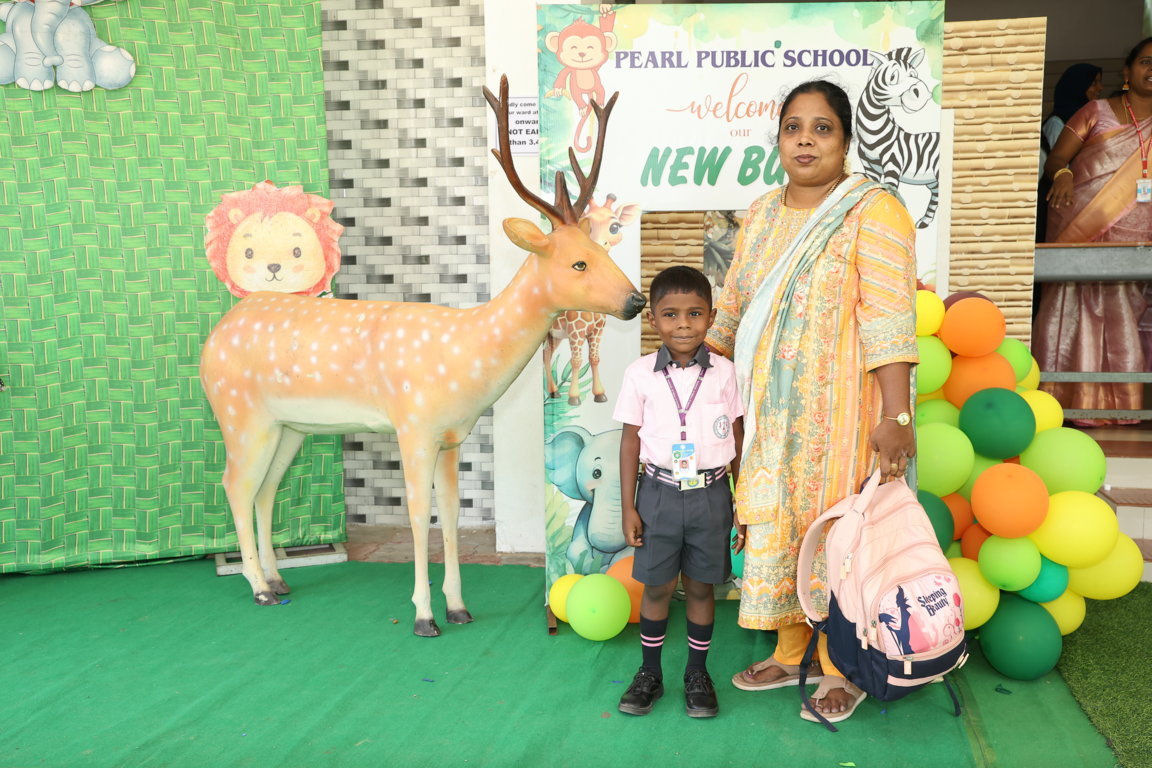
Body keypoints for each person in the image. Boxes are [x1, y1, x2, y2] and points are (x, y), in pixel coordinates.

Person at [705, 80, 918, 724]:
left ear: (846, 141)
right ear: (778, 140)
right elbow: (733, 307)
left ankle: (841, 667)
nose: (805, 140)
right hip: (769, 417)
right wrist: (694, 384)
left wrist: (896, 417)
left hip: (844, 418)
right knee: (777, 525)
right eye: (793, 127)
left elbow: (890, 319)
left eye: (822, 128)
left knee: (837, 536)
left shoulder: (873, 211)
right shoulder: (761, 214)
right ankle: (789, 649)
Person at [614, 265, 745, 718]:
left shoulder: (726, 373)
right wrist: (629, 506)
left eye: (695, 313)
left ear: (711, 317)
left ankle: (697, 674)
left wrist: (742, 502)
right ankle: (649, 673)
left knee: (701, 589)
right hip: (658, 495)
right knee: (656, 588)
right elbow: (629, 442)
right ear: (653, 319)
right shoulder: (639, 374)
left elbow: (738, 439)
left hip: (712, 495)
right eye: (670, 314)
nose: (683, 324)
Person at [1033, 38, 1152, 425]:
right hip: (1080, 222)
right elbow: (1057, 158)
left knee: (1123, 310)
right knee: (1072, 302)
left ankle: (1120, 406)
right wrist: (1064, 175)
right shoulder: (1096, 110)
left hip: (1137, 231)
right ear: (1128, 70)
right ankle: (1059, 400)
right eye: (1146, 61)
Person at [1036, 63, 1103, 244]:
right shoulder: (1058, 122)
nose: (1100, 88)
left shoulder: (1095, 120)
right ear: (1077, 86)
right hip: (1064, 202)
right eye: (1094, 83)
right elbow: (1055, 165)